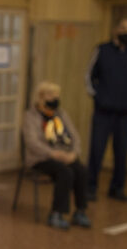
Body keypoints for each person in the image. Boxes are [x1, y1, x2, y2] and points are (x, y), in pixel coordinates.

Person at [85, 17, 127, 202]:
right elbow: (89, 75)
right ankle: (91, 186)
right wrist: (97, 96)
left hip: (125, 113)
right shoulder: (102, 50)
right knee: (97, 150)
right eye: (123, 28)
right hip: (103, 112)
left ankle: (117, 187)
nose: (126, 32)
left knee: (122, 152)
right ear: (116, 29)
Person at [22, 82, 91, 230]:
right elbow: (32, 143)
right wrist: (53, 153)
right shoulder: (30, 116)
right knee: (65, 173)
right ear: (41, 97)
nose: (55, 98)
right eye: (51, 95)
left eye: (57, 95)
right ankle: (56, 213)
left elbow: (75, 137)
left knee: (81, 170)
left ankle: (80, 211)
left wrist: (74, 153)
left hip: (64, 154)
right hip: (41, 158)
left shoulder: (61, 114)